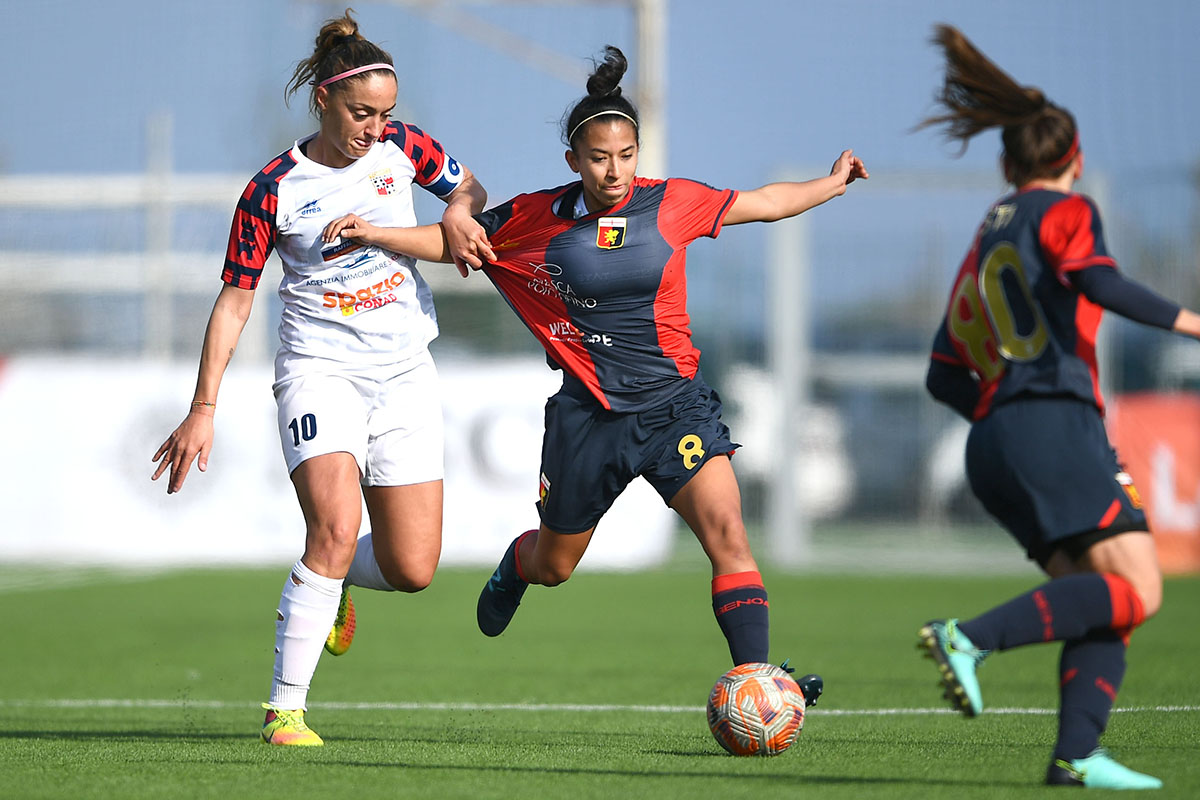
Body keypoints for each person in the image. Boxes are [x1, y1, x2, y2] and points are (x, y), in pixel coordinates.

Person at [321, 45, 867, 701]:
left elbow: (765, 202)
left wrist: (830, 185)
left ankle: (755, 682)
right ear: (574, 161)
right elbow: (453, 242)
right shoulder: (535, 220)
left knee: (728, 536)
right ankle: (516, 571)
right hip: (588, 420)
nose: (615, 171)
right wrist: (375, 234)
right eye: (600, 158)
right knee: (555, 565)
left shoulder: (673, 204)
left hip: (675, 410)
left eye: (626, 155)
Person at [151, 10, 495, 746]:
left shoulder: (406, 149)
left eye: (385, 113)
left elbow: (471, 189)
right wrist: (203, 406)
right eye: (360, 113)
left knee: (412, 567)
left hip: (404, 371)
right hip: (319, 372)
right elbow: (236, 298)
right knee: (334, 530)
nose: (375, 128)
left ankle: (330, 583)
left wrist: (463, 212)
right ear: (323, 102)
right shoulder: (272, 188)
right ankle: (285, 710)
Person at [916, 24, 1200, 790]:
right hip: (1054, 422)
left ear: (1007, 165)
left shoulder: (990, 232)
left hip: (997, 436)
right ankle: (967, 638)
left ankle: (1076, 755)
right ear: (1073, 162)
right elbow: (1102, 284)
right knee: (1140, 587)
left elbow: (943, 373)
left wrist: (1003, 422)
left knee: (1110, 602)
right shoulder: (1065, 213)